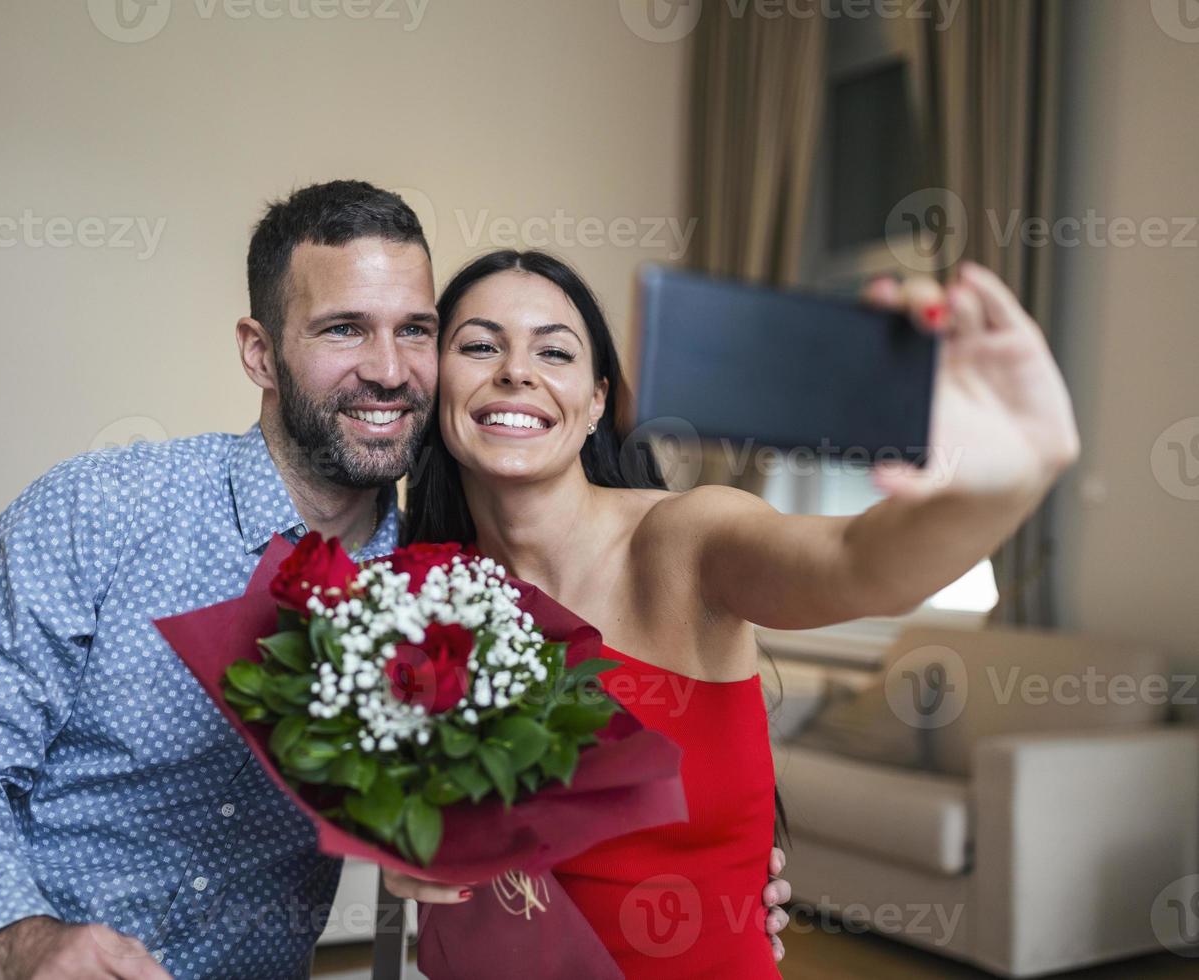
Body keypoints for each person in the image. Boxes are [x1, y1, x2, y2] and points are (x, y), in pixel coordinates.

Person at [0, 183, 792, 979]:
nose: (388, 370)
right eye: (344, 329)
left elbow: (548, 823)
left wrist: (728, 895)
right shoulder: (99, 509)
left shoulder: (445, 593)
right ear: (260, 351)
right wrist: (20, 941)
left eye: (417, 332)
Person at [387, 249, 1080, 977]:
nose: (515, 372)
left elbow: (855, 562)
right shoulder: (417, 598)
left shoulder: (686, 541)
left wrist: (995, 487)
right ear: (439, 388)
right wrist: (399, 846)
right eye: (479, 345)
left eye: (552, 350)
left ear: (597, 402)